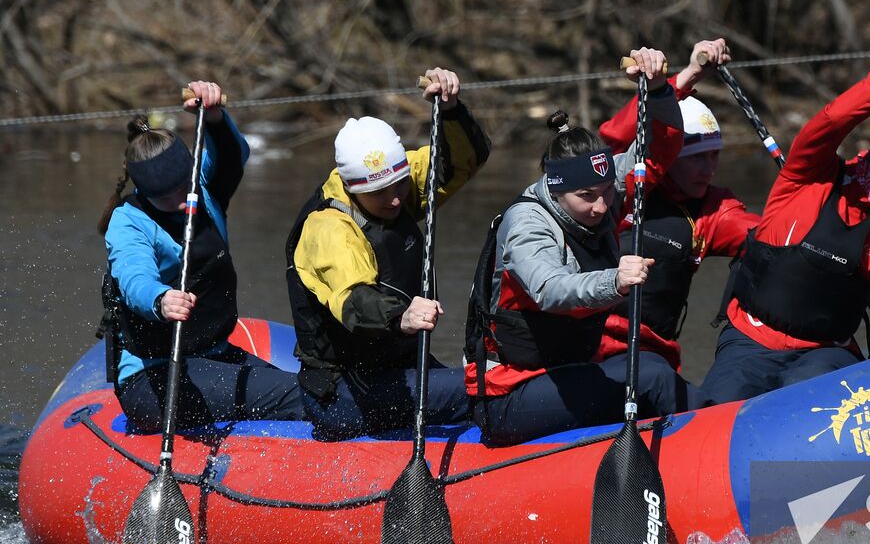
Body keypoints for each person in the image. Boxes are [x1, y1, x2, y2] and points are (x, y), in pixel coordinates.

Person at [694, 34, 870, 406]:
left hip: (824, 355)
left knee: (808, 395)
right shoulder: (808, 175)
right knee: (723, 402)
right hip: (749, 341)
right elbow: (837, 116)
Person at [464, 47, 690, 446]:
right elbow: (551, 290)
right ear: (557, 189)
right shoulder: (528, 224)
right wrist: (615, 282)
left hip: (566, 372)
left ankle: (721, 428)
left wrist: (657, 90)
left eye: (607, 192)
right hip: (508, 394)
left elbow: (662, 147)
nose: (602, 206)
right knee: (652, 379)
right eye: (588, 196)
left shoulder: (601, 195)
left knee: (655, 365)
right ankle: (694, 460)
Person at [286, 68, 491, 440]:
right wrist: (402, 317)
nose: (395, 198)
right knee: (486, 390)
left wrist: (451, 111)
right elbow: (355, 300)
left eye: (398, 185)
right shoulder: (329, 227)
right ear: (350, 186)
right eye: (379, 193)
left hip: (399, 364)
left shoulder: (397, 182)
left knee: (486, 381)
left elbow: (465, 161)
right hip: (346, 391)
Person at [99, 82, 304, 432]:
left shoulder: (201, 188)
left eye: (185, 188)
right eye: (168, 198)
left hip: (212, 355)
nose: (183, 201)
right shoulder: (128, 222)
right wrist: (161, 299)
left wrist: (213, 118)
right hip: (155, 377)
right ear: (145, 193)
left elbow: (229, 156)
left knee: (314, 392)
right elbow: (134, 278)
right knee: (297, 397)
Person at [596, 38, 761, 359]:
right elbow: (618, 135)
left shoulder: (711, 212)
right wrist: (689, 75)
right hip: (592, 338)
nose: (708, 170)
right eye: (697, 158)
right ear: (671, 157)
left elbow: (773, 233)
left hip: (652, 351)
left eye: (714, 157)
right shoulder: (619, 190)